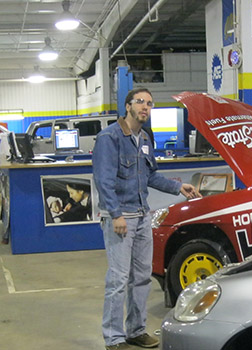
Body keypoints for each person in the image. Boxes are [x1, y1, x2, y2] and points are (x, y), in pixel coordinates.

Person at [93, 87, 201, 350]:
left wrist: (179, 188)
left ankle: (136, 330)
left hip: (142, 216)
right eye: (140, 102)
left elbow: (151, 176)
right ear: (128, 105)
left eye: (150, 104)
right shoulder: (110, 138)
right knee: (118, 280)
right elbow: (103, 181)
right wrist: (116, 214)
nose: (145, 107)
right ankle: (114, 337)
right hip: (121, 218)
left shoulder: (144, 138)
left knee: (141, 277)